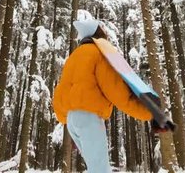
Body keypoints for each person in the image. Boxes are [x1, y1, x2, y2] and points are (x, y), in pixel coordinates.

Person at [52, 19, 157, 173]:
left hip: (72, 120)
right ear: (97, 34)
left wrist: (65, 117)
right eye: (103, 30)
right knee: (100, 170)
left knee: (94, 167)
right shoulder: (98, 53)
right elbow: (117, 92)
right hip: (89, 118)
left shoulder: (73, 57)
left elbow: (61, 91)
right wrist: (148, 111)